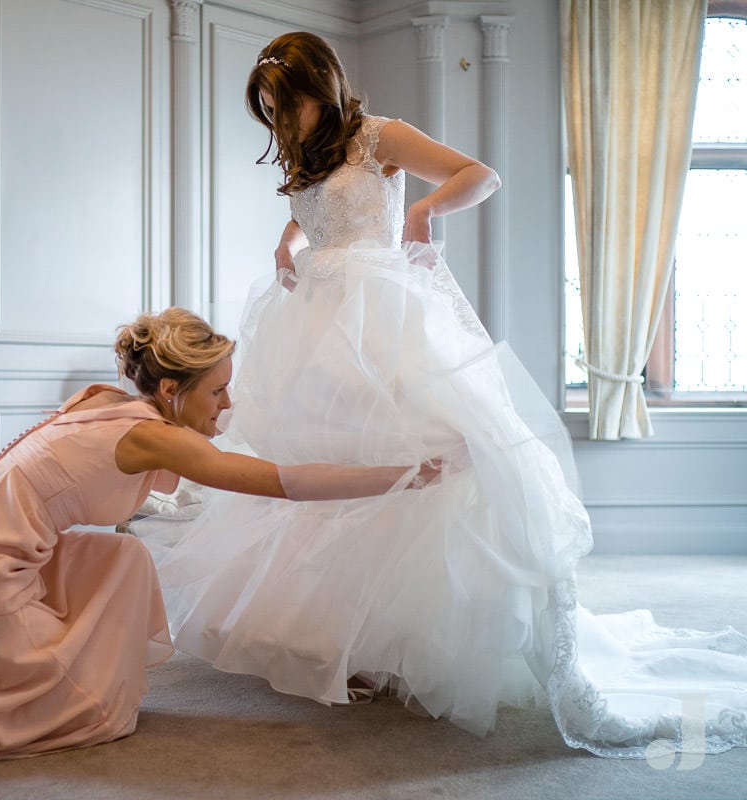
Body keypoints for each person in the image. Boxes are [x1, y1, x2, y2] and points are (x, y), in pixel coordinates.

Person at [132, 31, 747, 758]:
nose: (279, 118)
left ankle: (421, 646)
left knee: (430, 467)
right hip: (318, 330)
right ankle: (354, 644)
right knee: (331, 475)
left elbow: (477, 173)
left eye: (285, 103)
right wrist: (288, 241)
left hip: (386, 322)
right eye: (269, 107)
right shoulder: (311, 152)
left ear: (318, 89)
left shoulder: (376, 135)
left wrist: (425, 215)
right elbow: (318, 207)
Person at [0, 307, 443, 782]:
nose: (228, 402)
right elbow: (283, 483)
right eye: (218, 390)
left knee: (123, 556)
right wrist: (404, 475)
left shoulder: (101, 400)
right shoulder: (154, 437)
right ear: (170, 390)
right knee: (96, 713)